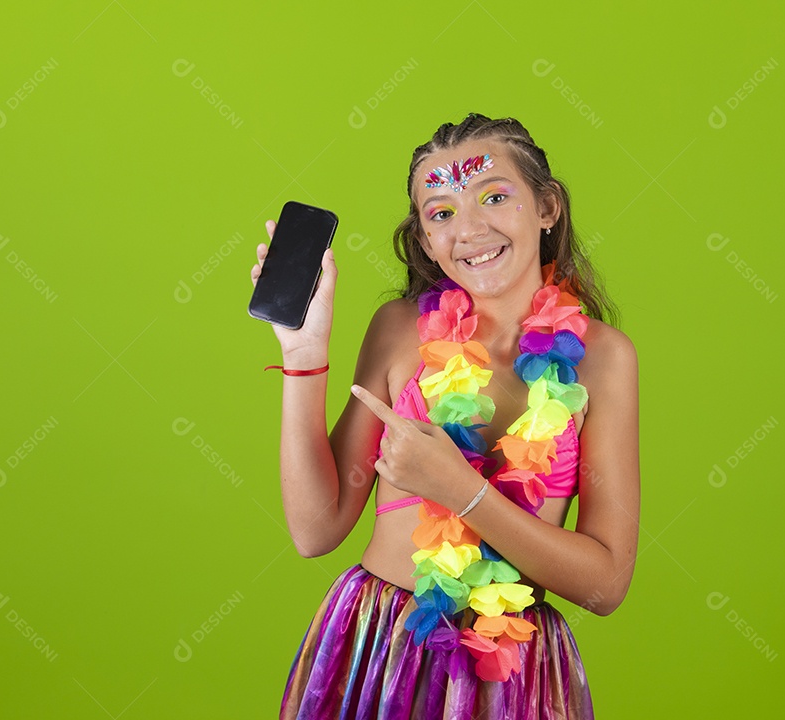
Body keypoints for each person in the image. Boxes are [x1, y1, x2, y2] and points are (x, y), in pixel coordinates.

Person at [250, 112, 640, 719]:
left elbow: (606, 584)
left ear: (547, 207)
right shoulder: (398, 329)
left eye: (494, 196)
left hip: (510, 674)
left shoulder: (603, 360)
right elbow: (315, 529)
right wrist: (303, 354)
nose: (470, 229)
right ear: (426, 241)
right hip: (380, 651)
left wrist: (461, 490)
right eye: (441, 213)